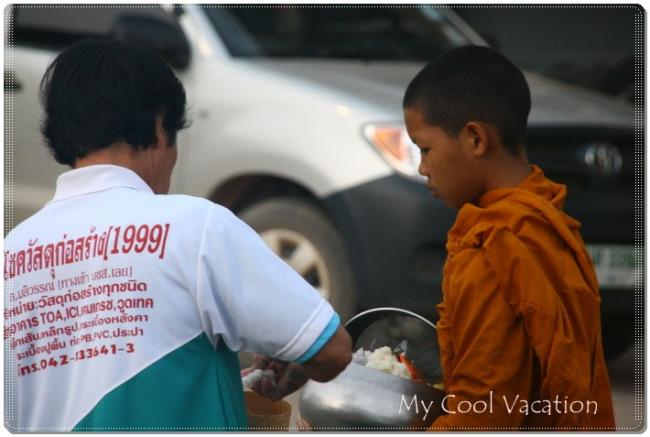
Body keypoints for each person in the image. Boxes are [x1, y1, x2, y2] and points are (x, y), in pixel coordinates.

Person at [4, 39, 351, 432]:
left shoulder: (10, 255)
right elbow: (332, 350)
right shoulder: (195, 228)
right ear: (159, 125)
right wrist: (294, 358)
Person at [402, 45, 615, 430]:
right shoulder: (549, 220)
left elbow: (482, 415)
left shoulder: (493, 246)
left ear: (475, 139)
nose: (422, 168)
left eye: (425, 149)